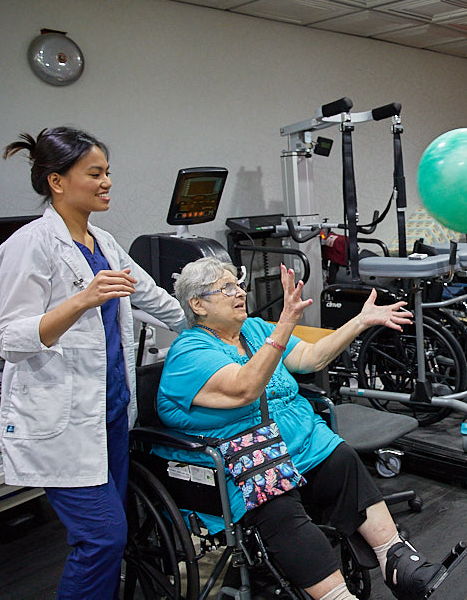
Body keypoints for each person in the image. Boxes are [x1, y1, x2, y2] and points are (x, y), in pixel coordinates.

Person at [157, 256, 448, 600]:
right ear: (197, 304)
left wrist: (360, 322)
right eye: (227, 288)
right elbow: (245, 388)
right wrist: (285, 323)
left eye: (239, 283)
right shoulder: (190, 352)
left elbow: (311, 357)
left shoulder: (253, 330)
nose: (240, 292)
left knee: (341, 460)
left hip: (296, 445)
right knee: (280, 509)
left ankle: (395, 558)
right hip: (242, 463)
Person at [0, 127, 187, 598]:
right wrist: (81, 301)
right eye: (95, 174)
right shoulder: (31, 244)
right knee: (102, 537)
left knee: (111, 536)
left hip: (111, 414)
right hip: (61, 424)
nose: (107, 183)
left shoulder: (103, 242)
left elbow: (158, 301)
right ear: (57, 181)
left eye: (107, 173)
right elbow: (12, 338)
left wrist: (214, 320)